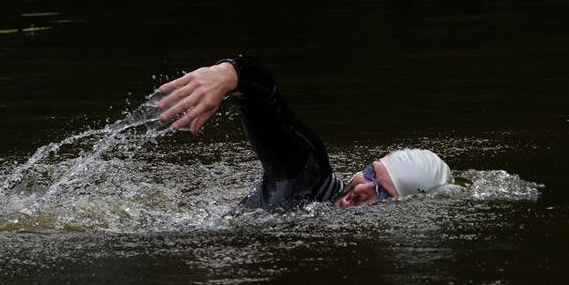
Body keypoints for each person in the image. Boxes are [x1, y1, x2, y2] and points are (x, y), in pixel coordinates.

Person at [155, 54, 451, 209]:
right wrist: (231, 73)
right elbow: (268, 104)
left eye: (382, 193)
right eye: (371, 174)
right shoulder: (307, 179)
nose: (362, 189)